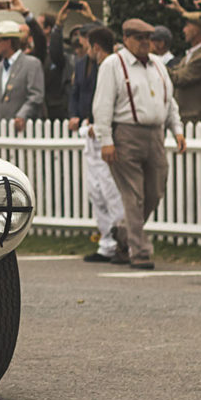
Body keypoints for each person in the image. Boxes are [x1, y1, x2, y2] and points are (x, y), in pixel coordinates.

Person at [91, 19, 185, 269]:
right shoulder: (113, 64)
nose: (146, 42)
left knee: (155, 192)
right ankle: (139, 250)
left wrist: (177, 130)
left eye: (148, 37)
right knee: (134, 195)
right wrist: (106, 140)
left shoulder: (157, 65)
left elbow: (169, 101)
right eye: (139, 37)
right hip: (126, 134)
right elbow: (102, 105)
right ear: (126, 38)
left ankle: (122, 235)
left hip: (155, 134)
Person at [70, 27, 128, 264]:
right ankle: (106, 243)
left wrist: (102, 124)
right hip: (88, 130)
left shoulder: (115, 64)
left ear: (95, 46)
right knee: (96, 191)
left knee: (111, 190)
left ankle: (122, 243)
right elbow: (76, 92)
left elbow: (113, 98)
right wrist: (75, 116)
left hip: (107, 133)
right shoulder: (83, 65)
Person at [0, 20, 45, 133]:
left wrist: (22, 115)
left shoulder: (31, 63)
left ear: (8, 42)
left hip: (25, 130)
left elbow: (36, 96)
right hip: (2, 129)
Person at [169, 20, 201, 123]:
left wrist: (155, 63)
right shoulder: (193, 53)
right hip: (185, 116)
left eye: (187, 26)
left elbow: (179, 78)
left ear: (197, 30)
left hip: (194, 117)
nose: (184, 30)